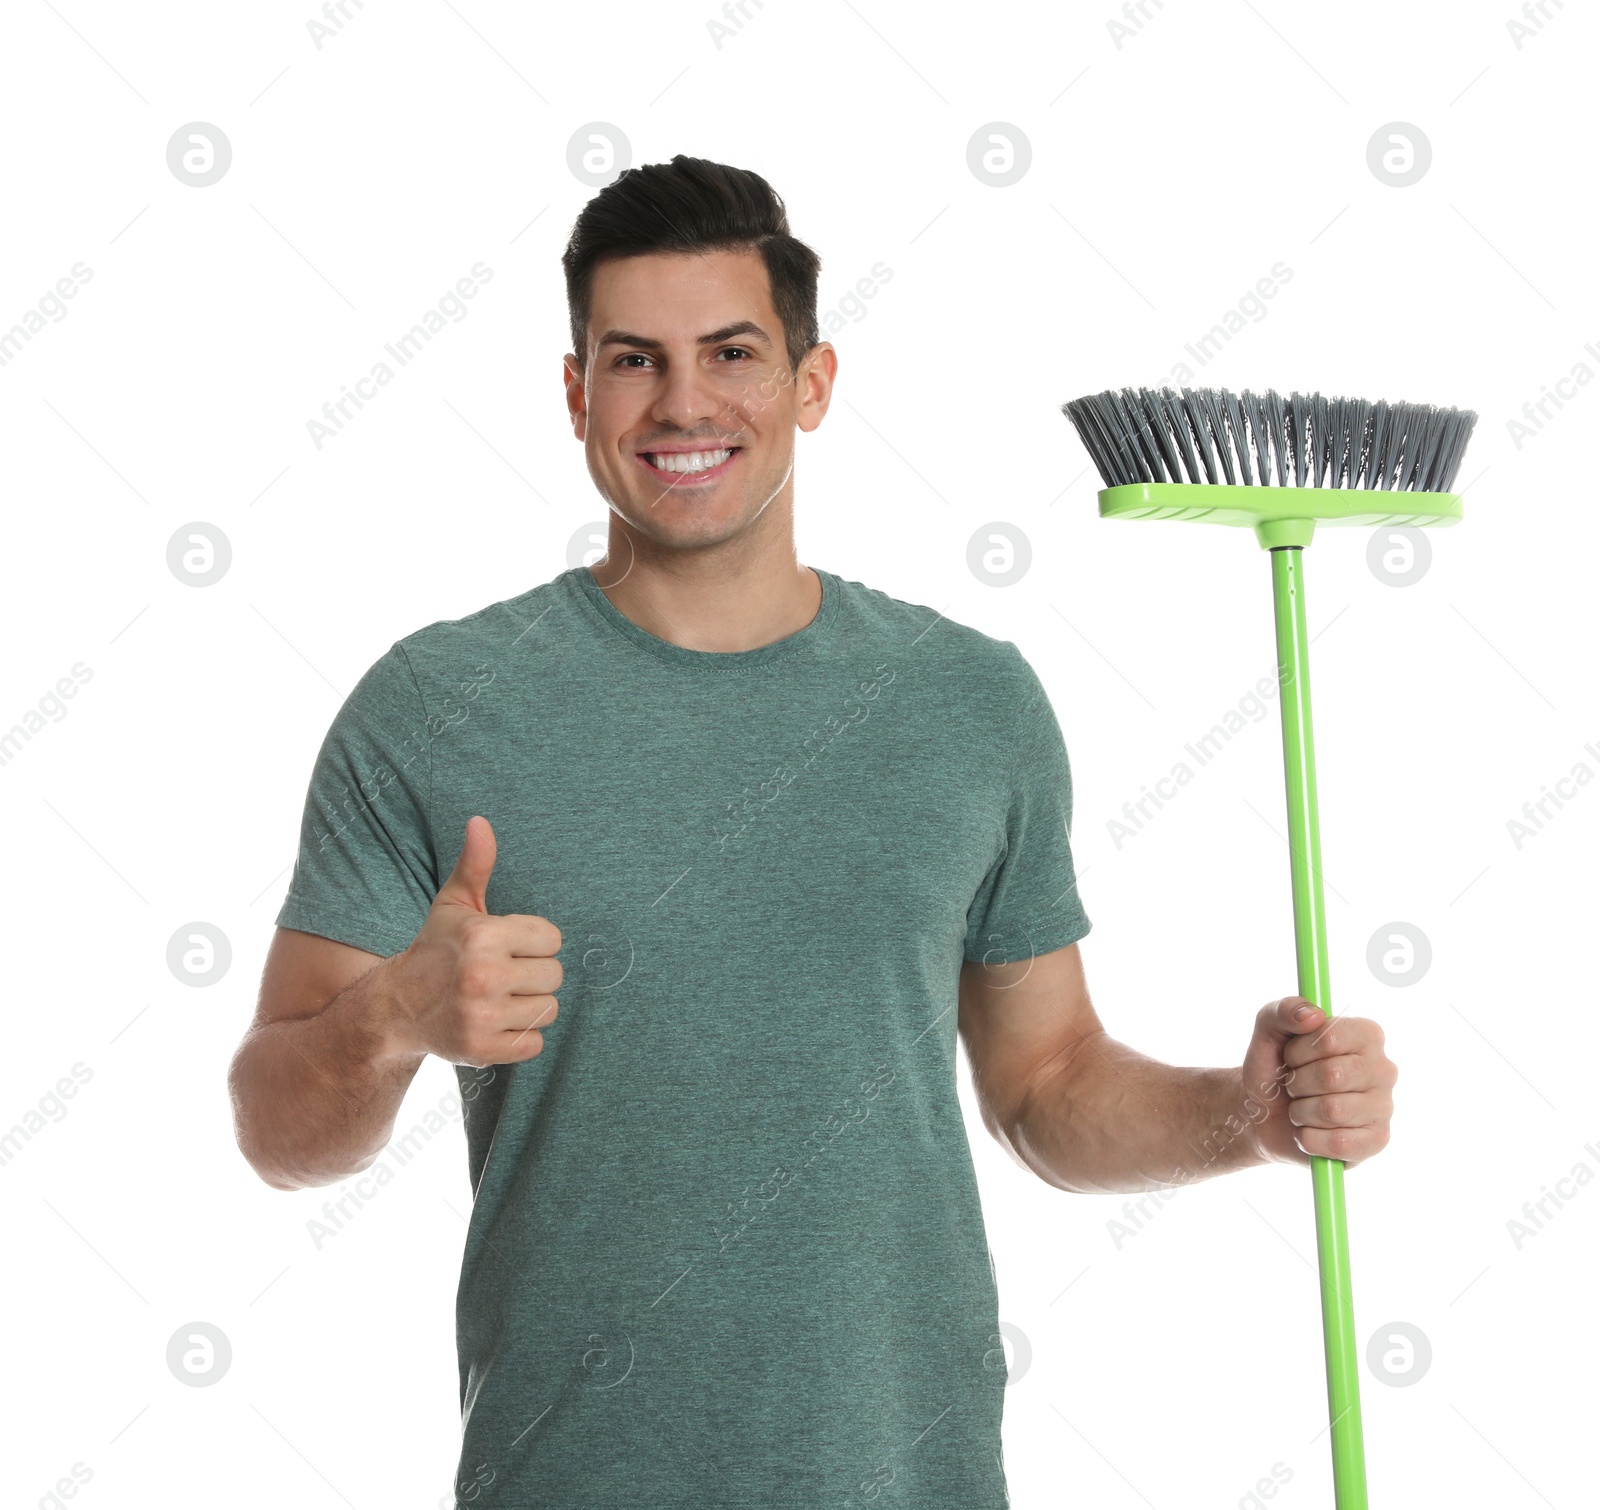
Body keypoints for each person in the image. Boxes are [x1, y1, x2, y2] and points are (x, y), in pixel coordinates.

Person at [227, 154, 1397, 1508]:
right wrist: (393, 1016)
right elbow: (273, 1125)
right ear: (575, 395)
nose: (683, 404)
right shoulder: (435, 709)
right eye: (632, 360)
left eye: (731, 351)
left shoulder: (970, 704)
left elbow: (1045, 1083)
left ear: (812, 382)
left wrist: (1245, 1112)